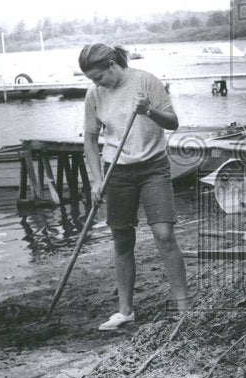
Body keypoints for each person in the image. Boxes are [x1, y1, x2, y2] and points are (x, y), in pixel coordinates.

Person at [79, 43, 190, 330]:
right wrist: (96, 180)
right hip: (116, 171)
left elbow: (174, 123)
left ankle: (183, 309)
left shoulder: (145, 81)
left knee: (164, 234)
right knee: (122, 240)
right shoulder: (94, 94)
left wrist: (149, 111)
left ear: (112, 65)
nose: (96, 83)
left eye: (98, 77)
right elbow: (90, 141)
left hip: (153, 166)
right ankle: (125, 310)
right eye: (92, 79)